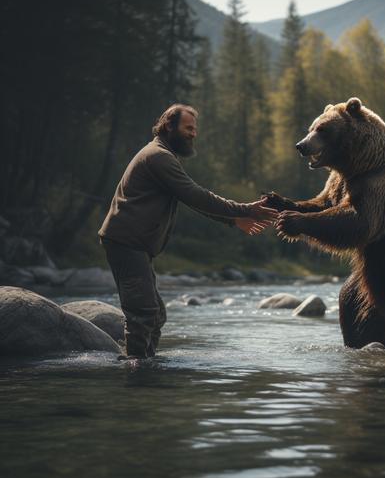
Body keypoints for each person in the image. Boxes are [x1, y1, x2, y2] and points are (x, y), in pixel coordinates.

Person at [99, 104, 277, 359]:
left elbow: (190, 199)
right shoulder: (158, 156)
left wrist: (233, 220)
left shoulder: (163, 155)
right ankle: (136, 373)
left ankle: (144, 363)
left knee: (156, 315)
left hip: (132, 243)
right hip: (126, 242)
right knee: (143, 312)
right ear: (169, 126)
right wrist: (246, 209)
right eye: (188, 128)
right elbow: (195, 195)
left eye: (195, 129)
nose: (194, 134)